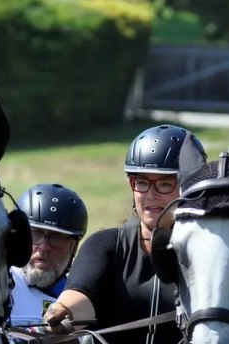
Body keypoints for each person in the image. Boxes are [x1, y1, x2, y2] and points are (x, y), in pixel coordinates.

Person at [43, 124, 206, 344]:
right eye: (141, 183)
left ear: (191, 188)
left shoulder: (207, 255)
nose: (150, 195)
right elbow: (80, 297)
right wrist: (62, 312)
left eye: (165, 184)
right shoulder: (106, 245)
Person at [10, 183, 88, 327]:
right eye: (36, 234)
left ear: (74, 246)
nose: (44, 247)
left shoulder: (80, 299)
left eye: (57, 237)